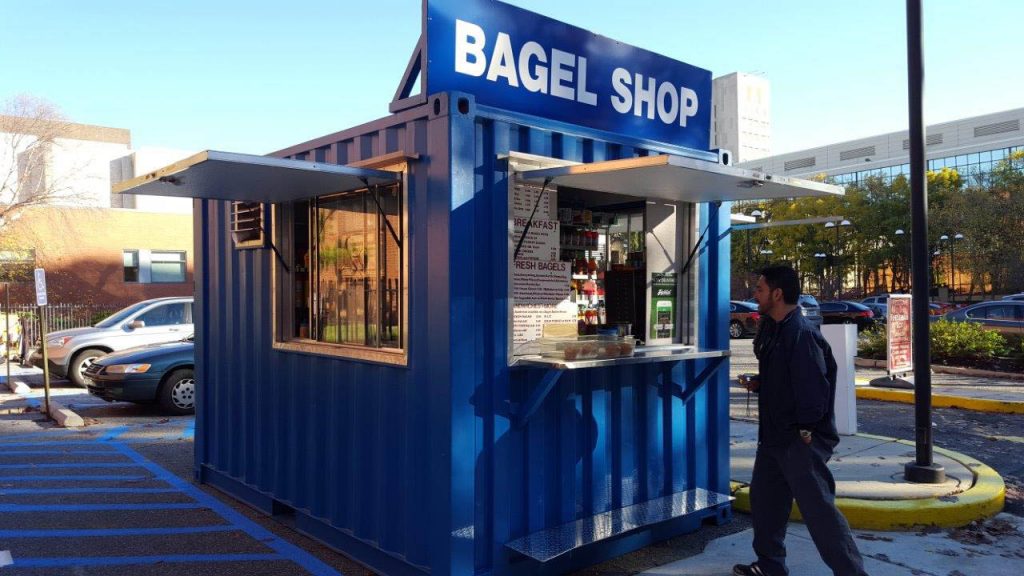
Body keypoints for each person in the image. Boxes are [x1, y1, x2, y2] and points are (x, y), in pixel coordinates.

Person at [733, 265, 868, 576]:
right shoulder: (773, 327)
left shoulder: (801, 335)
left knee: (819, 513)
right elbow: (786, 379)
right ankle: (770, 567)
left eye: (761, 290)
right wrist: (760, 382)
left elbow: (814, 395)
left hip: (798, 440)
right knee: (766, 503)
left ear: (777, 294)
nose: (755, 295)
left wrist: (805, 433)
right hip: (774, 436)